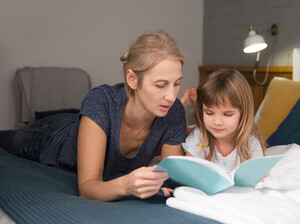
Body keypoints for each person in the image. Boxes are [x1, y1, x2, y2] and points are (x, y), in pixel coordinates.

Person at [0, 30, 192, 201]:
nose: (171, 96)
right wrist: (126, 186)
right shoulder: (101, 101)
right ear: (132, 79)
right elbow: (88, 188)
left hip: (86, 122)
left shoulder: (172, 110)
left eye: (176, 83)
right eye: (160, 85)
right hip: (51, 136)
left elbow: (171, 180)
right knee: (7, 139)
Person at [183, 69, 266, 174]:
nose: (217, 122)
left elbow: (259, 176)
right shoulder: (199, 138)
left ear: (243, 113)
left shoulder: (251, 143)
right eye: (209, 113)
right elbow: (189, 173)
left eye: (227, 114)